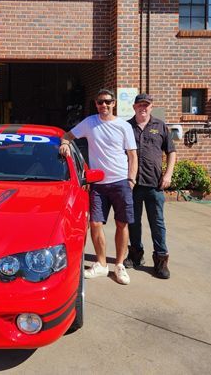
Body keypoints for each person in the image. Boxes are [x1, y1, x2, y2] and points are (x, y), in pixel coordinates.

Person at [59, 88, 138, 285]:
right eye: (100, 102)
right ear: (96, 104)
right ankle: (101, 264)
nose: (104, 105)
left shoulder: (123, 126)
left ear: (114, 104)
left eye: (108, 102)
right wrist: (65, 143)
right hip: (98, 183)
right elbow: (67, 135)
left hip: (120, 181)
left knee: (122, 224)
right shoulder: (90, 123)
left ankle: (119, 265)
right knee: (95, 224)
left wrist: (131, 179)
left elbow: (132, 155)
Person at [125, 93, 176, 279]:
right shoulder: (127, 127)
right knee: (133, 222)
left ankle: (161, 261)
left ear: (151, 107)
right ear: (134, 107)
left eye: (146, 105)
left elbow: (171, 152)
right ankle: (136, 255)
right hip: (133, 185)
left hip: (155, 185)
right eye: (140, 105)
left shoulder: (160, 126)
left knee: (158, 224)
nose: (143, 108)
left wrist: (168, 174)